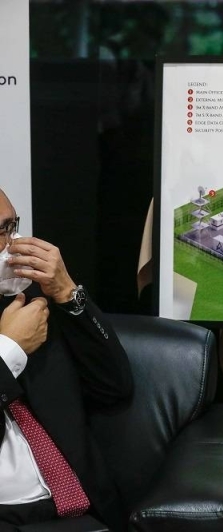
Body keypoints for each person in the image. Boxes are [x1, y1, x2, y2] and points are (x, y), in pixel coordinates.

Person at [0, 188, 132, 531]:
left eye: (12, 226)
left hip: (80, 504)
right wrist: (9, 349)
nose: (13, 243)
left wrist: (67, 295)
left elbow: (113, 387)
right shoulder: (17, 330)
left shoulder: (26, 305)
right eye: (0, 232)